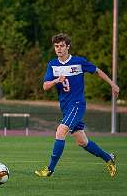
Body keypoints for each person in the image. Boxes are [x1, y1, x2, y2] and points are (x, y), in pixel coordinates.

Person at [35, 33, 120, 177]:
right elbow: (45, 86)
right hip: (66, 107)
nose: (59, 49)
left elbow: (97, 71)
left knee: (60, 131)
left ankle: (49, 169)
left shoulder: (79, 62)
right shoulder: (52, 65)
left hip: (77, 104)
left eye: (62, 46)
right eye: (56, 46)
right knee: (82, 141)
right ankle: (108, 158)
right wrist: (56, 81)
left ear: (68, 47)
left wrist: (112, 84)